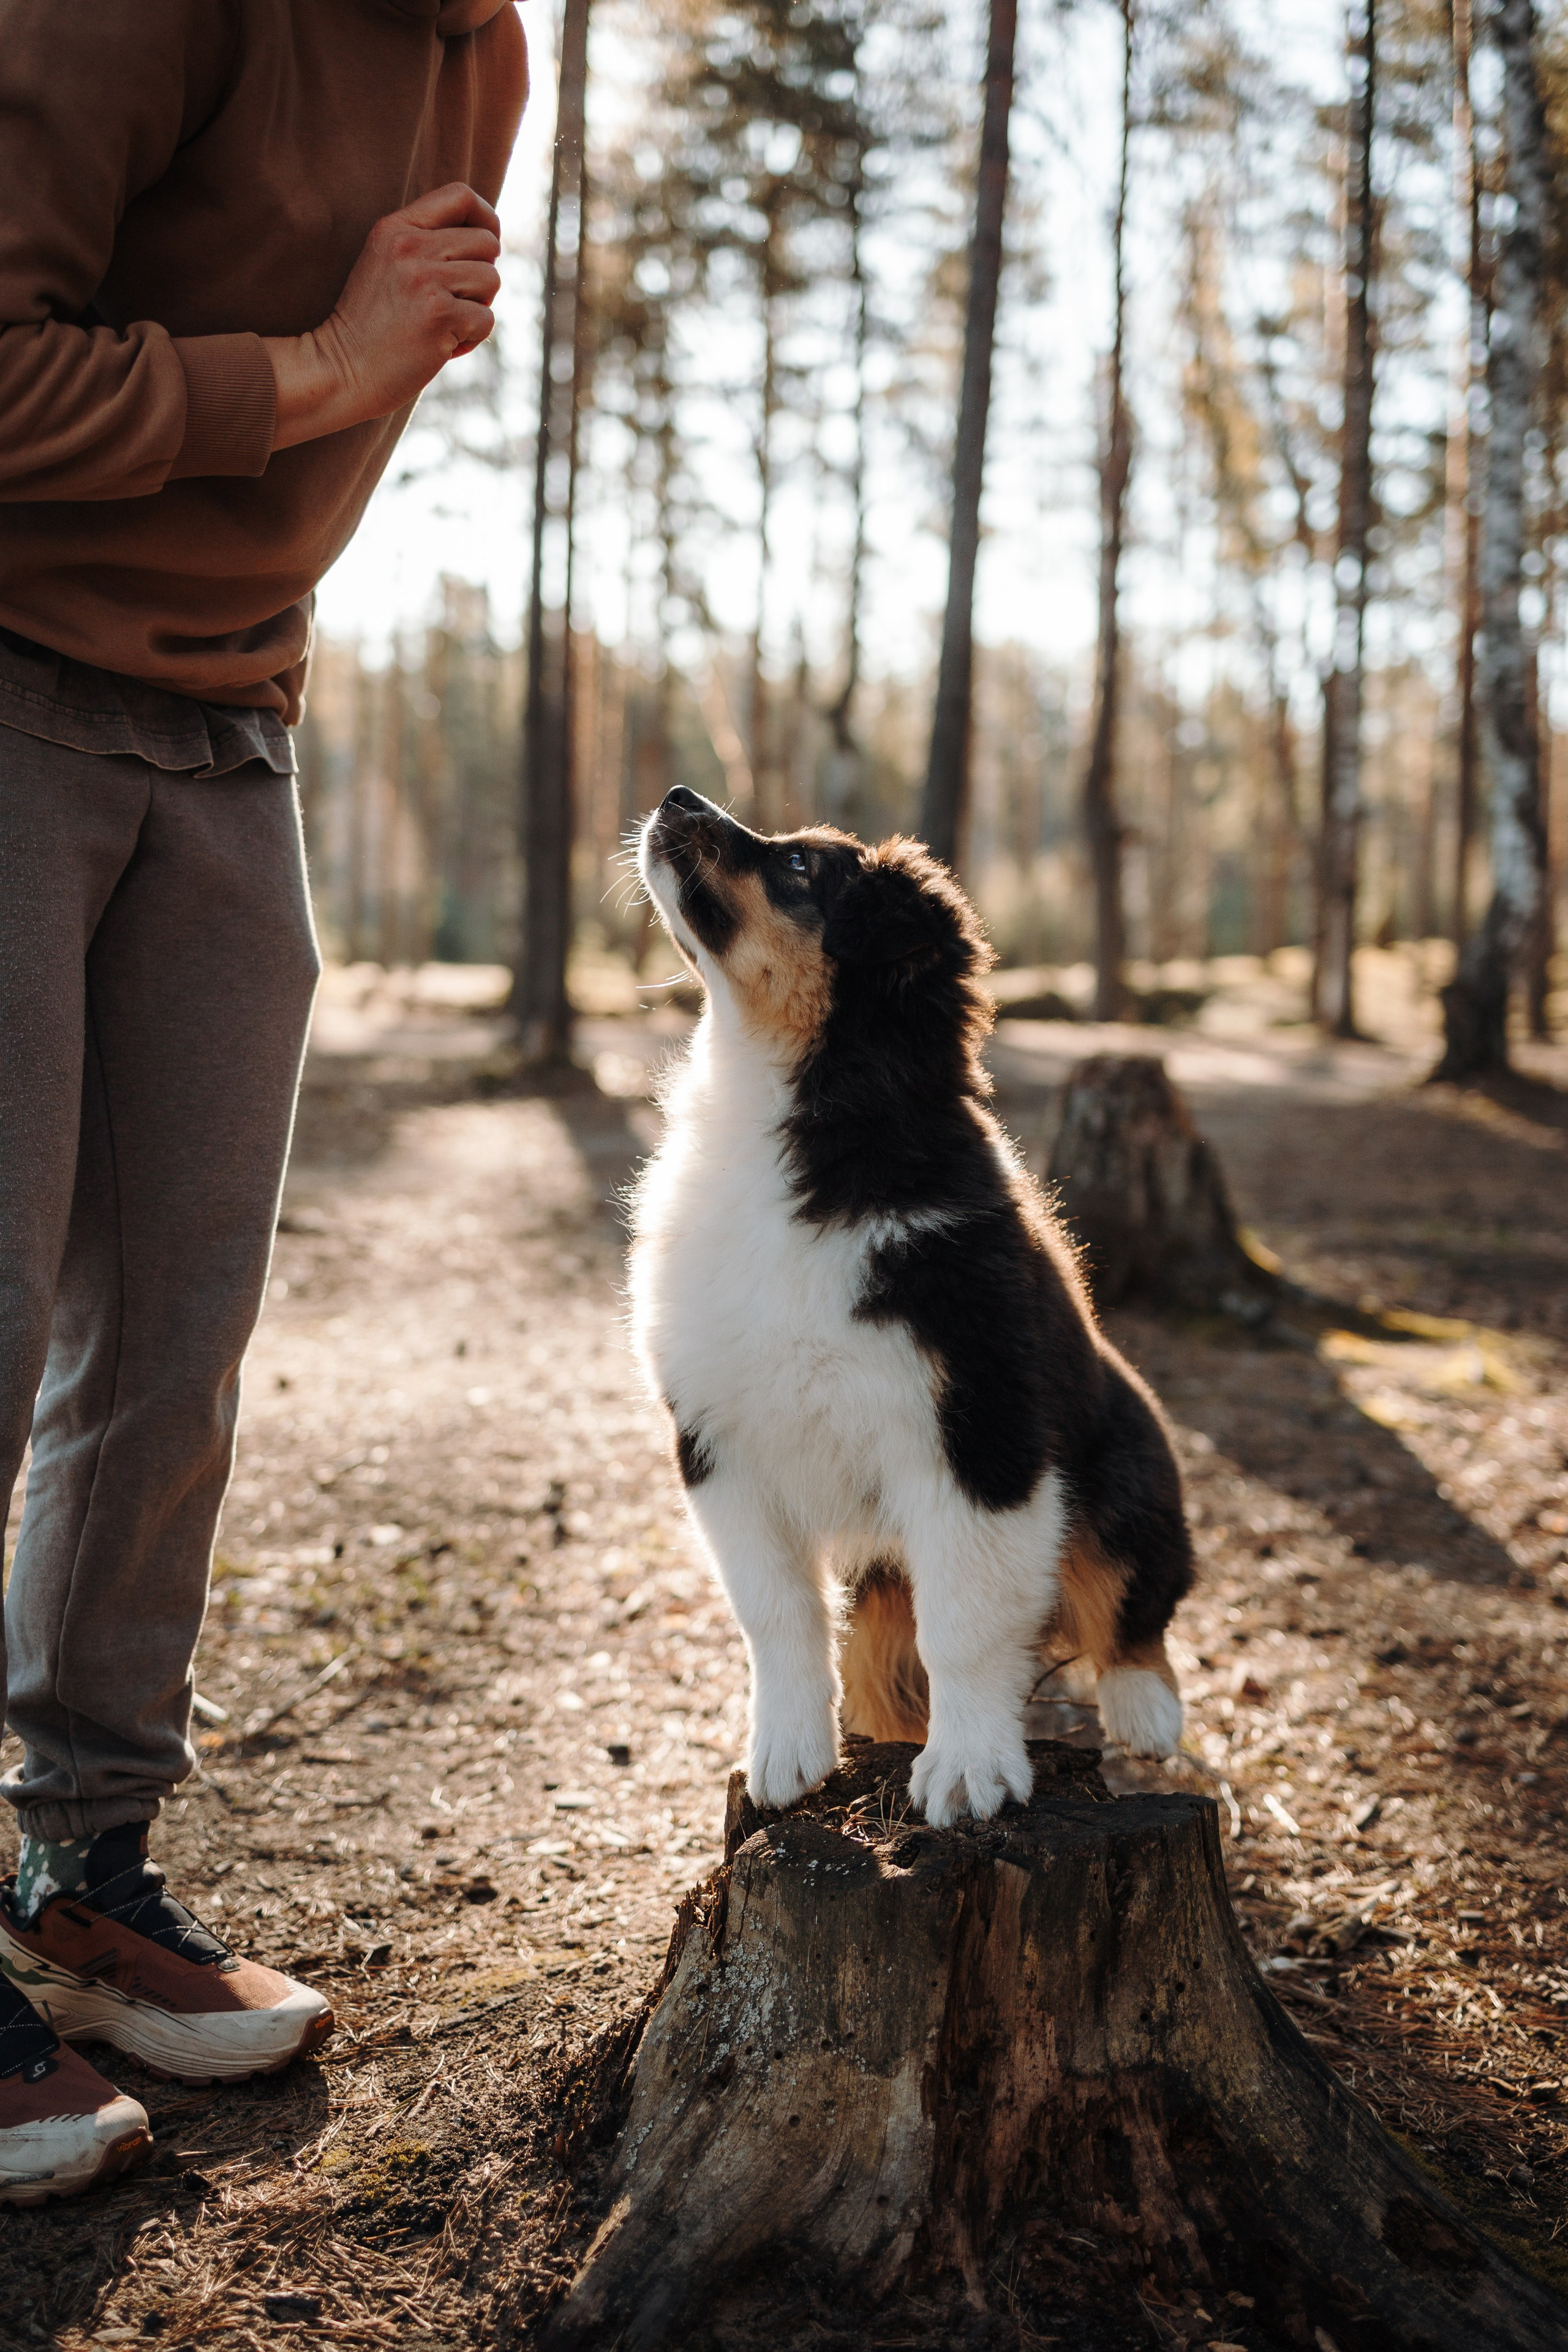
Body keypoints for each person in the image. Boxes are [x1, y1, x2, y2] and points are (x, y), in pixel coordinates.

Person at [0, 0, 527, 2203]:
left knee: (174, 1347)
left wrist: (260, 638)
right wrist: (315, 366)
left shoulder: (485, 56)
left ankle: (81, 1872)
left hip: (225, 733)